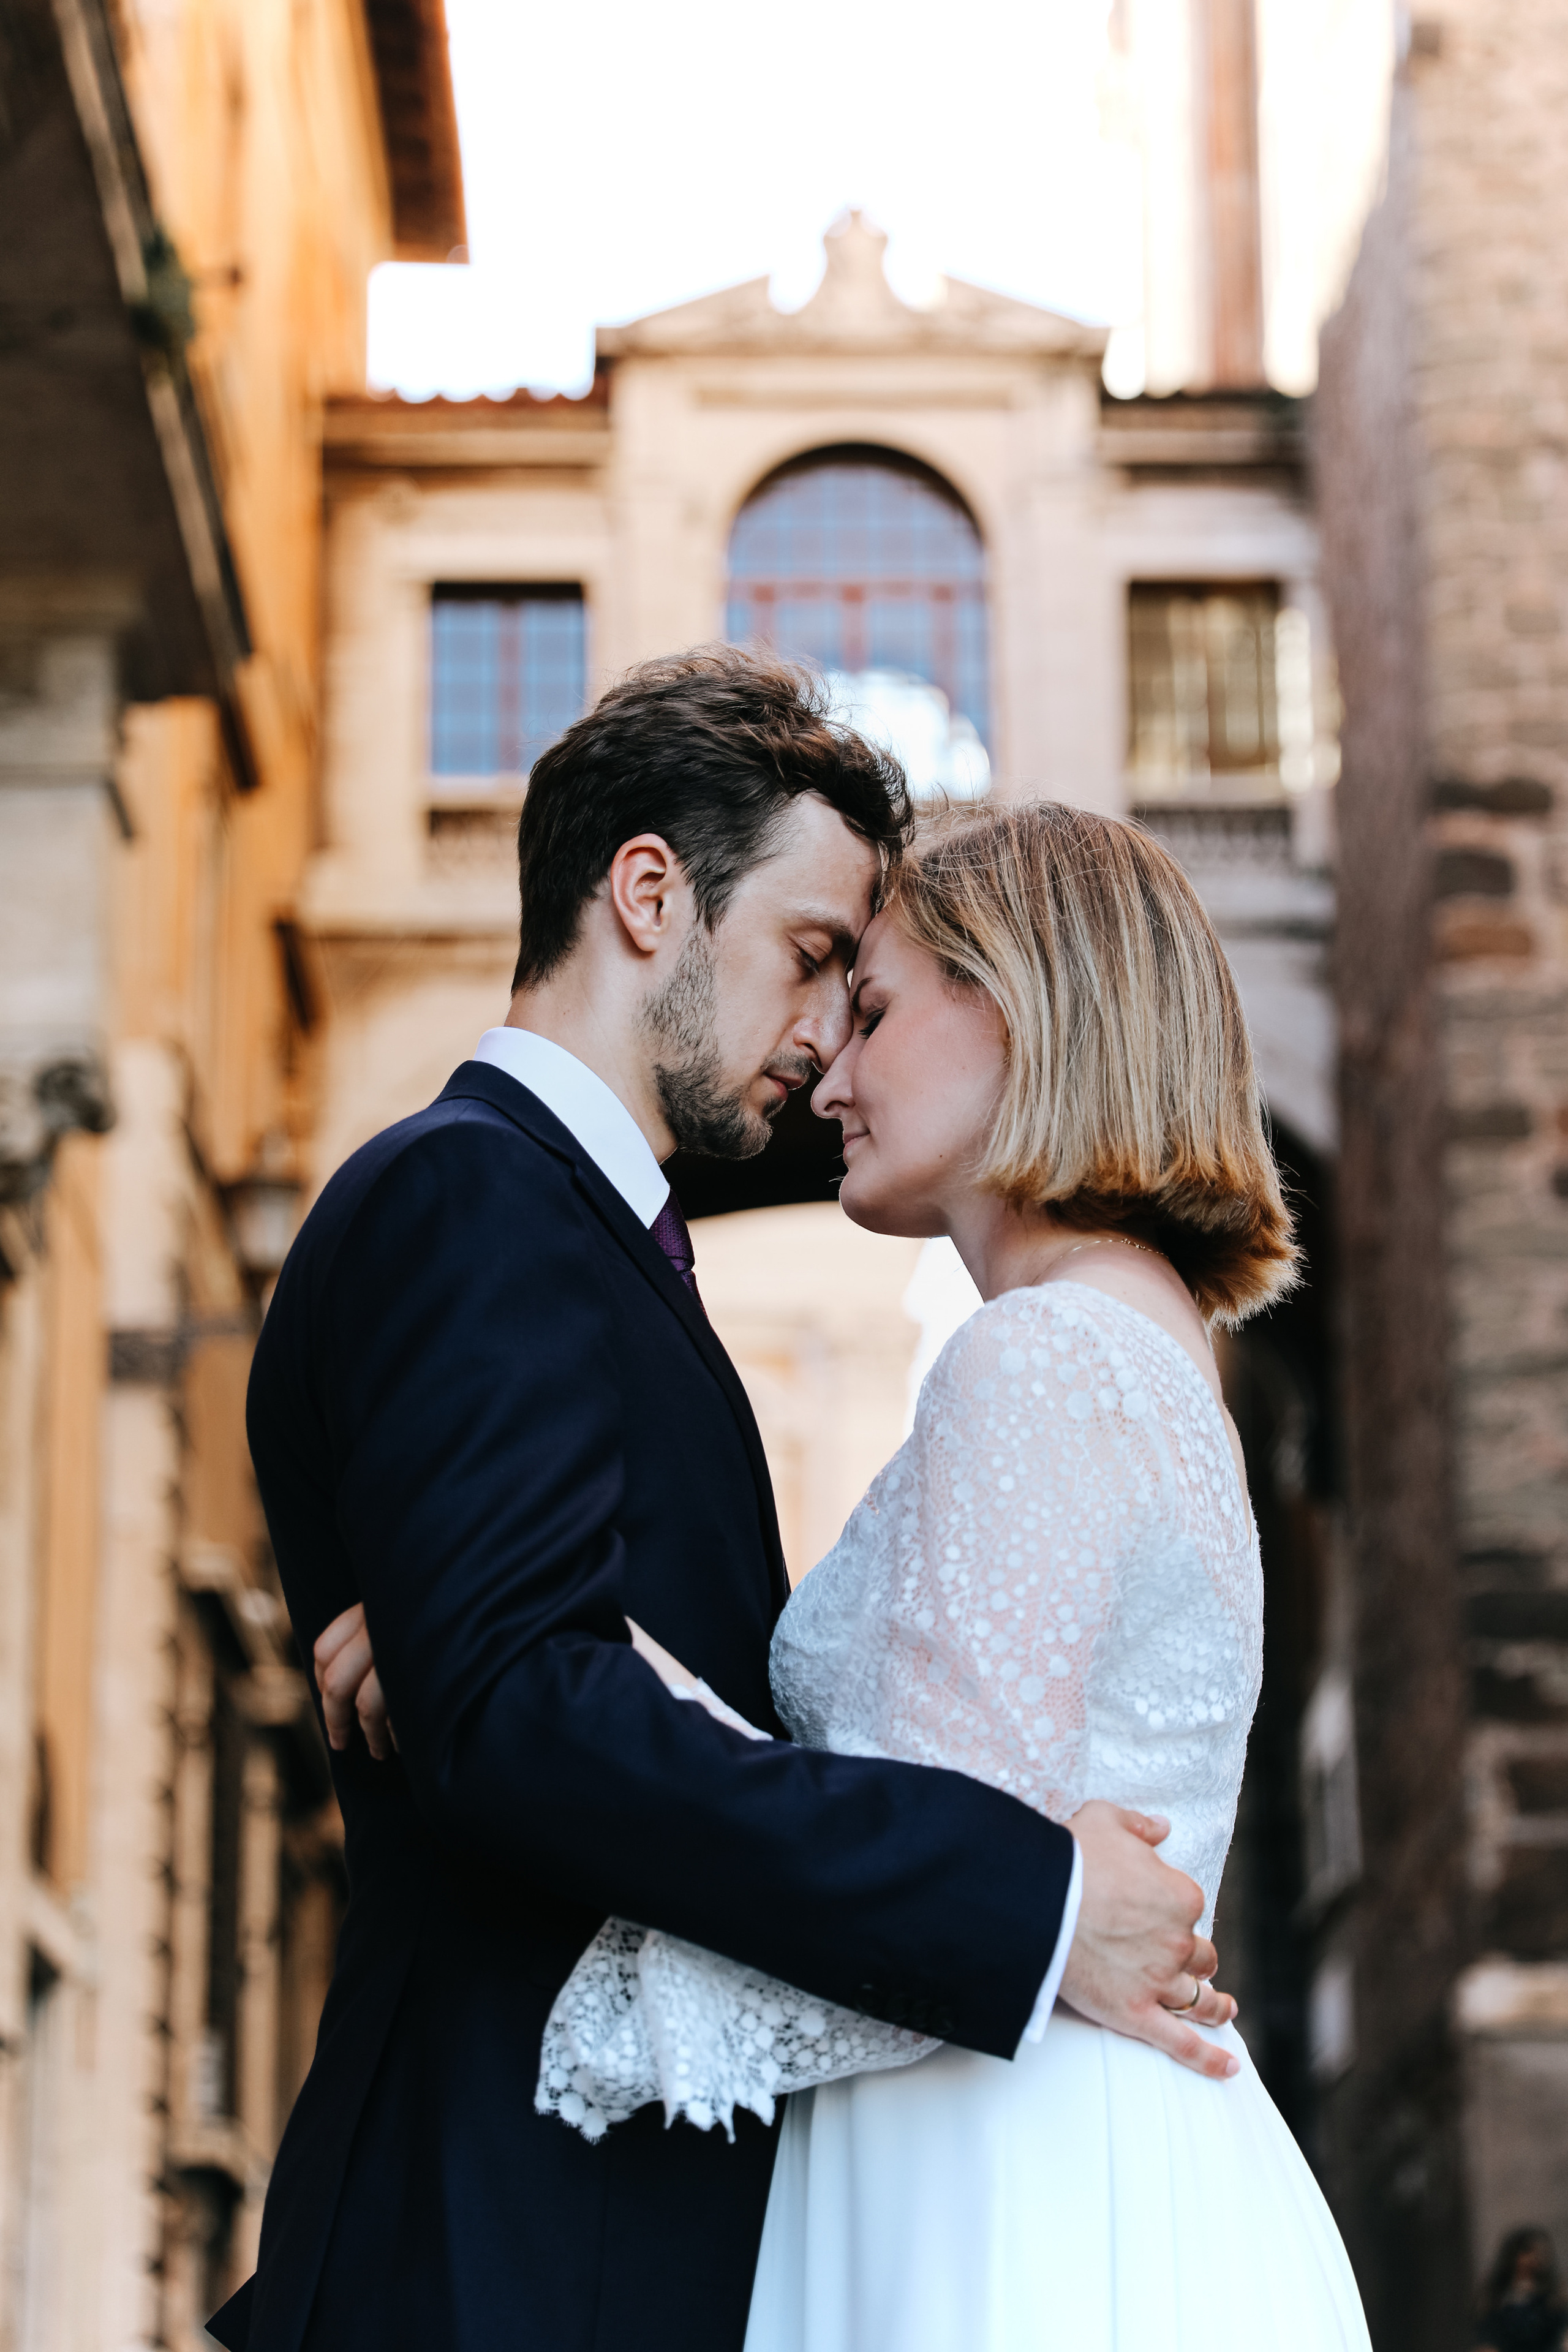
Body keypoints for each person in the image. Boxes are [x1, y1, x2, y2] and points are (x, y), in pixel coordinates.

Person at [207, 650, 1230, 2352]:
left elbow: (535, 1678)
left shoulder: (595, 1243)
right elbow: (526, 1711)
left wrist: (497, 1647)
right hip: (502, 2243)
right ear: (648, 894)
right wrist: (1030, 1901)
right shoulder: (474, 1194)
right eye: (811, 956)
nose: (825, 1039)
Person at [1476, 2229, 1568, 2352]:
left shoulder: (1551, 2297)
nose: (1534, 2259)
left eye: (1541, 2253)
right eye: (1528, 2251)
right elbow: (1488, 2332)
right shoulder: (1497, 2295)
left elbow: (1557, 2335)